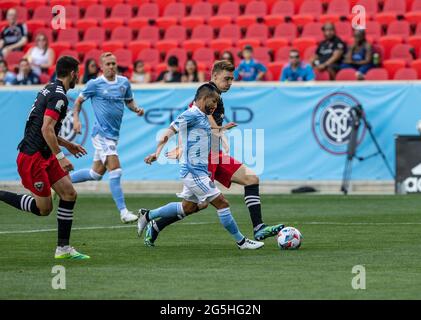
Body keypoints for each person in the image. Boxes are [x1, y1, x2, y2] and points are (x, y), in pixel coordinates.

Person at [143, 61, 284, 247]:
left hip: (214, 154)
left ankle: (258, 228)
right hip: (204, 158)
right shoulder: (207, 93)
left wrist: (220, 135)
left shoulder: (216, 97)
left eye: (232, 79)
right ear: (214, 75)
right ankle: (154, 223)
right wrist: (180, 146)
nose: (230, 83)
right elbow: (188, 122)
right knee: (195, 206)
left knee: (249, 179)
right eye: (226, 78)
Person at [0, 56, 90, 260]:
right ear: (73, 73)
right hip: (33, 158)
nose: (79, 76)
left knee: (69, 193)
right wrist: (61, 156)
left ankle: (63, 249)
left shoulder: (49, 89)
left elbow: (45, 128)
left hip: (44, 154)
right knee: (43, 209)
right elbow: (46, 128)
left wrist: (68, 145)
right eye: (78, 72)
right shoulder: (59, 97)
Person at [71, 52, 145, 223]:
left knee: (95, 174)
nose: (112, 66)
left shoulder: (123, 82)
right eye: (108, 64)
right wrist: (76, 119)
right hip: (101, 134)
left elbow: (129, 101)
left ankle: (59, 180)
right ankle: (124, 212)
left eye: (114, 63)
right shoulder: (94, 84)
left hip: (113, 135)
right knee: (116, 170)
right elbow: (78, 101)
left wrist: (137, 109)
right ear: (101, 67)